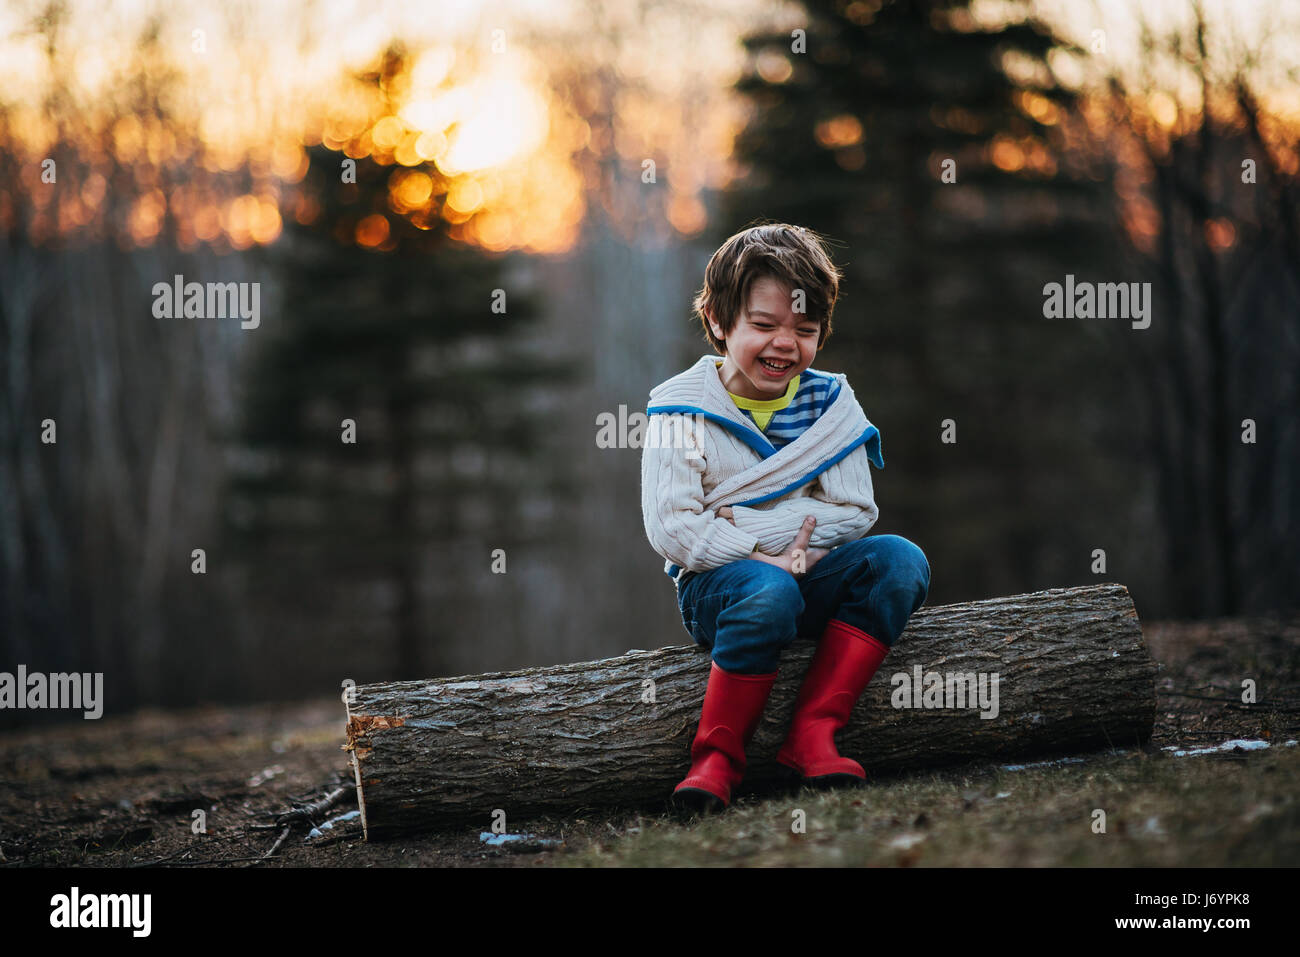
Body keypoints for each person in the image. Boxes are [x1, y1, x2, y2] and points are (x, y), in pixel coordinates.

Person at [639, 223, 931, 815]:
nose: (785, 345)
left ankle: (813, 733)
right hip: (720, 586)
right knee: (768, 588)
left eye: (804, 329)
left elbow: (855, 511)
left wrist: (744, 524)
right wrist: (771, 553)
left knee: (899, 560)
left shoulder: (831, 404)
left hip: (812, 570)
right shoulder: (679, 408)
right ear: (720, 323)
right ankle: (716, 758)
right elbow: (672, 530)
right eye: (764, 326)